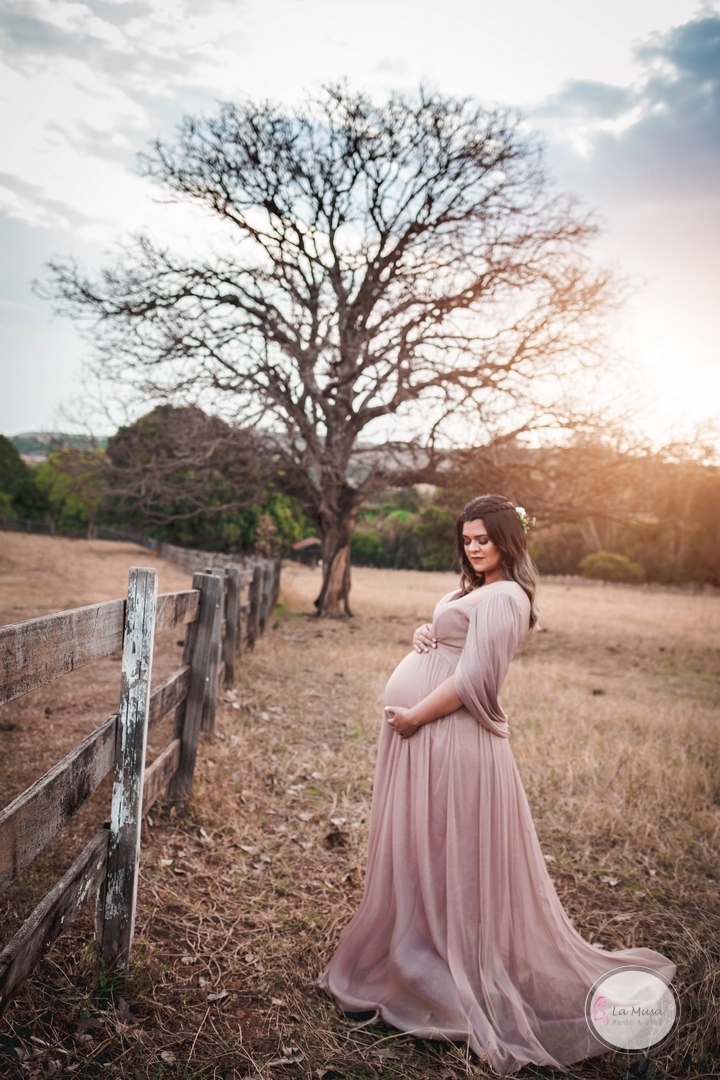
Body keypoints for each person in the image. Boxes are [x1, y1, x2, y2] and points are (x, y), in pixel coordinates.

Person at [318, 494, 675, 1074]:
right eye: (467, 539)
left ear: (508, 539)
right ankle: (419, 948)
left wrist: (414, 716)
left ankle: (450, 963)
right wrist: (427, 632)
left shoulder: (508, 595)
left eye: (484, 538)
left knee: (451, 849)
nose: (474, 547)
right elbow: (460, 644)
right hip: (431, 736)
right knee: (429, 845)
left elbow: (476, 680)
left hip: (450, 737)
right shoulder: (478, 591)